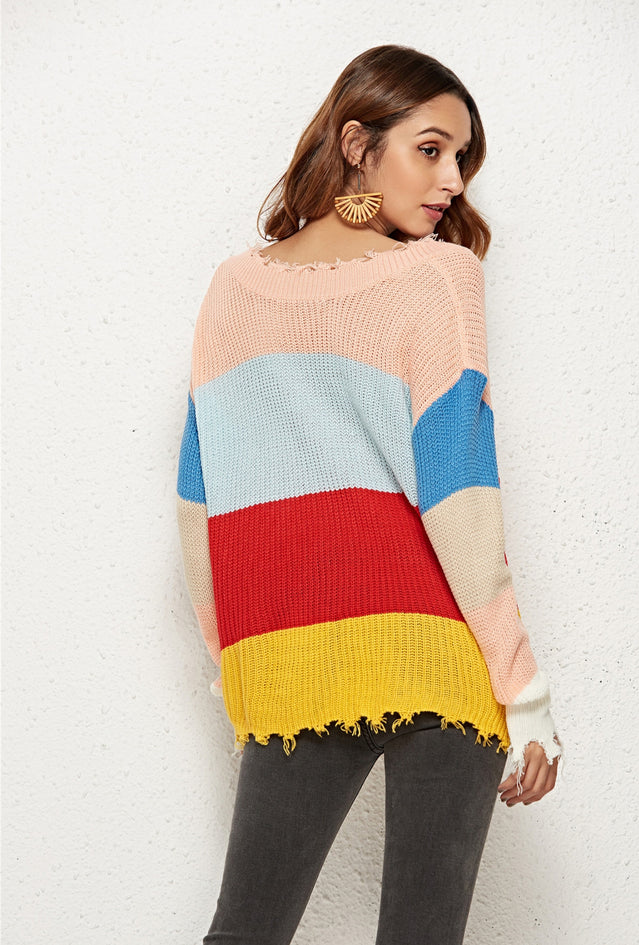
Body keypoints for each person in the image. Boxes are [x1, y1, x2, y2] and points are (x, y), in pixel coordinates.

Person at [176, 43, 564, 945]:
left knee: (243, 930)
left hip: (293, 658)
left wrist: (236, 660)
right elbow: (460, 489)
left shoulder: (233, 289)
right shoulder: (437, 275)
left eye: (461, 158)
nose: (453, 180)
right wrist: (525, 689)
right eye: (430, 150)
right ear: (357, 143)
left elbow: (201, 503)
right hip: (438, 658)